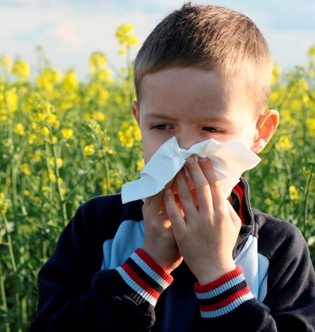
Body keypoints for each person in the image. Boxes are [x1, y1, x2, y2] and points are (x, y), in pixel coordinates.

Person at [29, 3, 315, 331]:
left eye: (212, 129)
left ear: (259, 133)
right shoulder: (98, 228)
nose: (183, 151)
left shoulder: (278, 249)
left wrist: (218, 275)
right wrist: (146, 268)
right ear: (139, 121)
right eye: (162, 127)